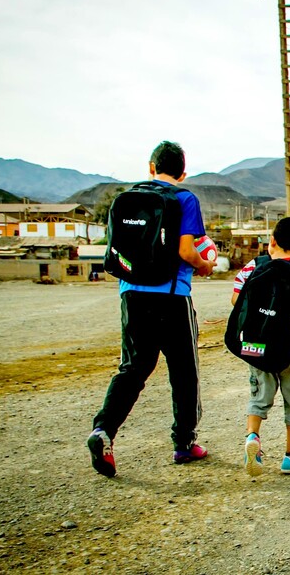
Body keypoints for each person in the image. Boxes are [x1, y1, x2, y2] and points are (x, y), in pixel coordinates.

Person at [87, 141, 216, 477]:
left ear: (150, 167)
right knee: (184, 372)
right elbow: (187, 252)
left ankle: (104, 430)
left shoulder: (124, 198)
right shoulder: (185, 198)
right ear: (183, 172)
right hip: (172, 297)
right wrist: (204, 266)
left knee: (132, 369)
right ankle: (184, 444)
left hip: (131, 295)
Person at [232, 217, 290, 476]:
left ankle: (253, 438)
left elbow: (236, 300)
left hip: (256, 343)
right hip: (289, 344)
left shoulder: (254, 265)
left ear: (272, 241)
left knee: (260, 392)